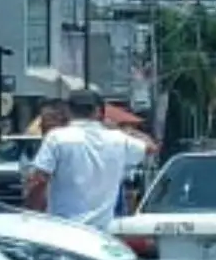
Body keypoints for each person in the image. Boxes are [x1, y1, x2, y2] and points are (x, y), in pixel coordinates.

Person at [24, 90, 155, 230]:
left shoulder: (57, 138)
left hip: (63, 229)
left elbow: (39, 181)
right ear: (98, 111)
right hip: (103, 231)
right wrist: (121, 129)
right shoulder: (118, 139)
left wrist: (31, 214)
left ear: (68, 110)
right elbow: (151, 147)